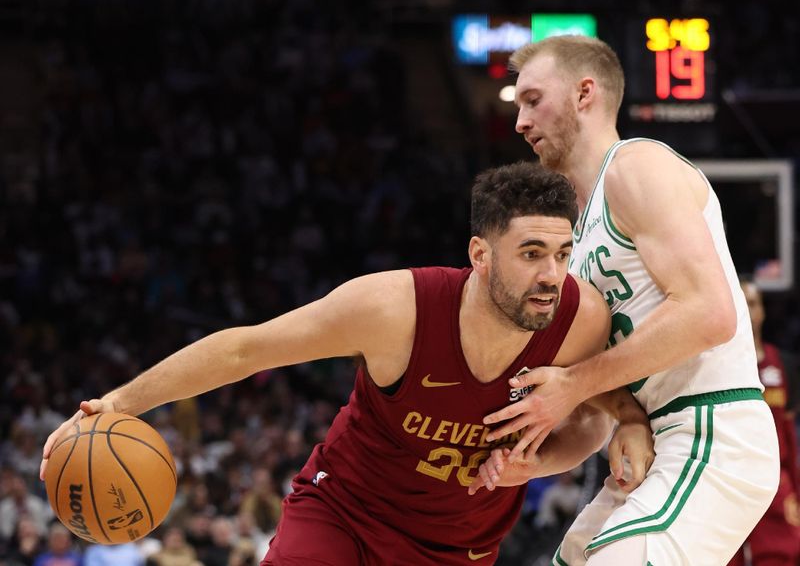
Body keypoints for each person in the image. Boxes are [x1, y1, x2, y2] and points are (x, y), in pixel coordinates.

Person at [41, 162, 654, 566]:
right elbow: (245, 349)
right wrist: (118, 404)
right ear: (481, 254)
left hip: (459, 547)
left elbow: (594, 412)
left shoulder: (580, 317)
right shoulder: (394, 310)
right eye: (531, 253)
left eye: (562, 254)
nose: (551, 274)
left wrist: (547, 460)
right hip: (346, 516)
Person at [474, 35, 780, 565]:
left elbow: (710, 314)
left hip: (712, 429)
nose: (520, 122)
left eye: (532, 100)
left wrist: (573, 384)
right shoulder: (580, 228)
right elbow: (595, 415)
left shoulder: (636, 166)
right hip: (658, 441)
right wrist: (541, 458)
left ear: (584, 94)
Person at [729, 280, 800, 565]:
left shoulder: (785, 363)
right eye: (740, 302)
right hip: (729, 476)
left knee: (780, 555)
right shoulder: (714, 365)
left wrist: (796, 489)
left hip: (775, 480)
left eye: (753, 303)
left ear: (762, 312)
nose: (746, 310)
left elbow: (791, 437)